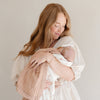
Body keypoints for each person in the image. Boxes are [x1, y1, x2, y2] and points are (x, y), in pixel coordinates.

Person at [11, 3, 85, 100]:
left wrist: (49, 58)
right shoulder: (30, 49)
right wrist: (36, 85)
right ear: (46, 23)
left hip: (61, 96)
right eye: (57, 25)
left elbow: (71, 76)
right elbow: (19, 83)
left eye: (63, 26)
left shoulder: (66, 44)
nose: (60, 30)